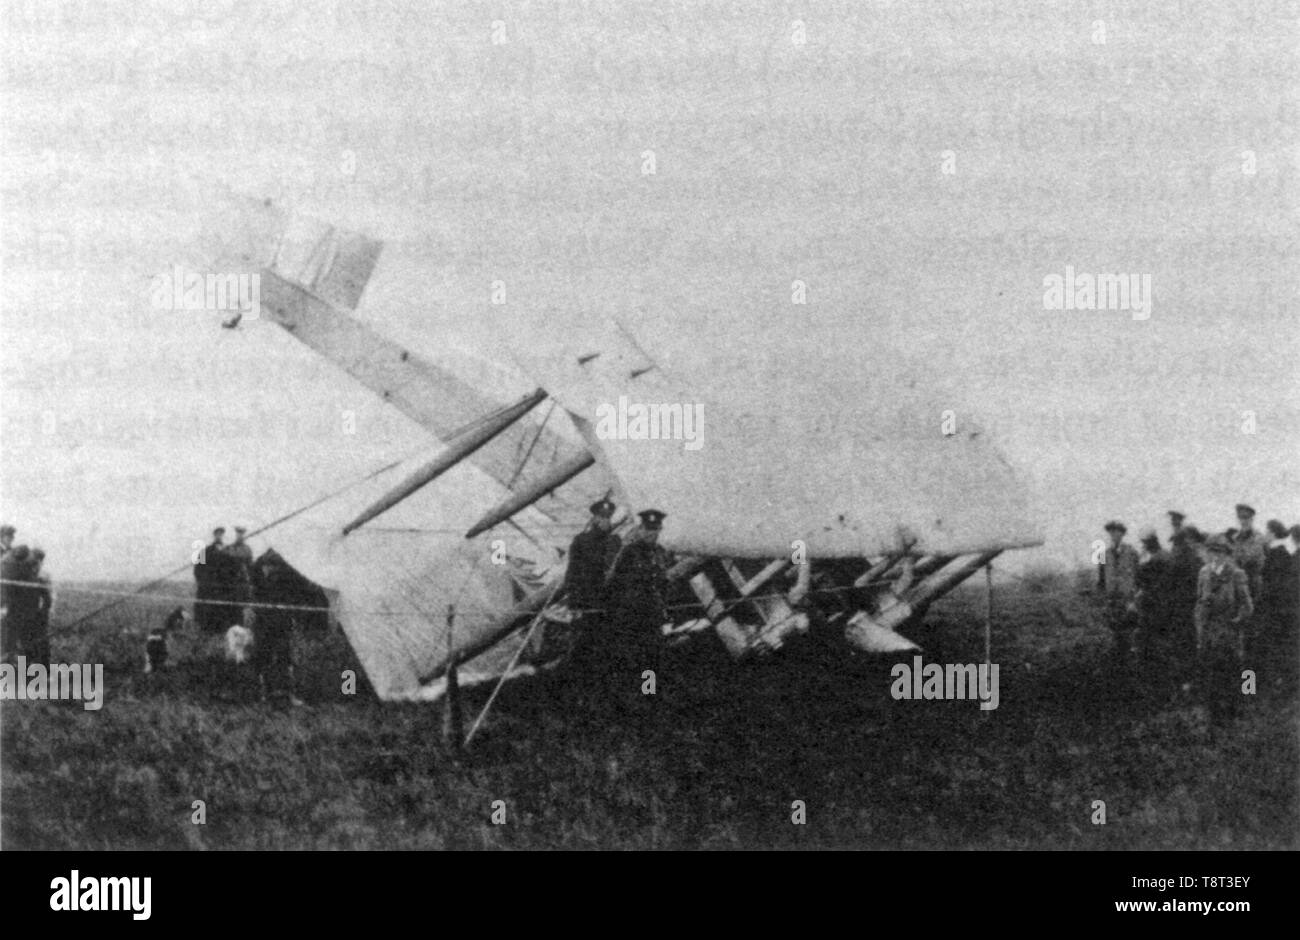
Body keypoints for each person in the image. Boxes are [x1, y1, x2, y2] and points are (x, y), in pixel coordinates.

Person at [605, 509, 670, 708]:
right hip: (630, 615)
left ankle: (648, 694)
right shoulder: (629, 552)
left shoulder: (660, 553)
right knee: (627, 655)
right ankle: (621, 697)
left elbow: (663, 583)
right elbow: (612, 581)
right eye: (648, 530)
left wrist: (663, 604)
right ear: (640, 529)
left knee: (651, 656)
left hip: (652, 615)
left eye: (656, 530)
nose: (652, 534)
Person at [560, 497, 623, 696]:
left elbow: (619, 572)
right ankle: (576, 689)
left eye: (608, 517)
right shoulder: (581, 541)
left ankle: (606, 689)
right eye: (602, 516)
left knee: (608, 646)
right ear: (594, 518)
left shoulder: (615, 541)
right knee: (582, 646)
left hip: (608, 604)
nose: (605, 521)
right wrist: (574, 604)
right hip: (586, 604)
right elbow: (572, 574)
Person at [1193, 534, 1253, 728]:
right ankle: (1213, 714)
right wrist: (1200, 626)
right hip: (1208, 631)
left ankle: (1235, 712)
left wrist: (1238, 620)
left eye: (1219, 552)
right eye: (1211, 551)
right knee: (1210, 672)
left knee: (1232, 672)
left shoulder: (1236, 574)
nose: (1215, 556)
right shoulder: (1203, 572)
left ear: (1227, 554)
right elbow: (1200, 601)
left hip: (1228, 632)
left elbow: (1247, 605)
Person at [250, 549, 304, 707]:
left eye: (271, 566)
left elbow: (294, 597)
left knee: (284, 659)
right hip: (263, 624)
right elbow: (254, 596)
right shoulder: (258, 577)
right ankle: (262, 694)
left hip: (280, 624)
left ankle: (289, 694)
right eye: (266, 566)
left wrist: (291, 616)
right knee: (262, 658)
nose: (267, 569)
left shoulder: (285, 578)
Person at [1098, 520, 1139, 671]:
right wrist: (1103, 600)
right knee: (1115, 633)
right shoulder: (1103, 554)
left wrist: (1134, 600)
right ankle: (1118, 667)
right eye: (1111, 532)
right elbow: (1101, 579)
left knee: (1130, 632)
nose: (1114, 535)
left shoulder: (1132, 552)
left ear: (1122, 534)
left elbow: (1138, 576)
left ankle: (1131, 665)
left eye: (1117, 532)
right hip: (1112, 601)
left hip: (1128, 600)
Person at [1134, 528, 1173, 676]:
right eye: (1143, 542)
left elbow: (1166, 581)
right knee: (1145, 637)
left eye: (1146, 542)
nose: (1144, 545)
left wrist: (1150, 591)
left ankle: (1162, 670)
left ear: (1153, 541)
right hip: (1146, 604)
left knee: (1161, 638)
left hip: (1160, 603)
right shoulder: (1144, 556)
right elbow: (1138, 579)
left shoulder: (1163, 556)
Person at [1228, 503, 1267, 611]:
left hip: (1253, 583)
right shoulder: (1235, 538)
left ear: (1252, 519)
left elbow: (1248, 558)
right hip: (1237, 583)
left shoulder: (1258, 537)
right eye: (1240, 518)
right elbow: (1232, 559)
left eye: (1246, 518)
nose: (1243, 521)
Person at [26, 548, 52, 665]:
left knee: (42, 642)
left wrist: (43, 612)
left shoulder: (43, 577)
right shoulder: (26, 574)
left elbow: (48, 598)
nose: (37, 564)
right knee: (28, 641)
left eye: (39, 561)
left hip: (39, 614)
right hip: (27, 614)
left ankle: (43, 668)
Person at [224, 526, 255, 626]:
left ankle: (241, 625)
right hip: (231, 582)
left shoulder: (247, 549)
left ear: (244, 535)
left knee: (242, 606)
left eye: (241, 534)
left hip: (243, 582)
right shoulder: (229, 548)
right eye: (238, 534)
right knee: (230, 605)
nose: (240, 536)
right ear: (236, 535)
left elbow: (250, 566)